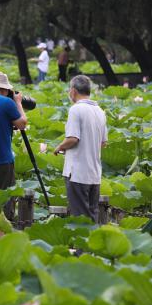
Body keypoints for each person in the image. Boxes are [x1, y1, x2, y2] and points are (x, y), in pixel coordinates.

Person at [54, 75, 107, 222]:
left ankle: (83, 239)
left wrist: (59, 147)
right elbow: (103, 143)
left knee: (80, 220)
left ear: (73, 91)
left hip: (77, 173)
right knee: (92, 218)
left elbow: (73, 139)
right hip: (94, 174)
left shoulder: (76, 109)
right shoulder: (100, 111)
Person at [0, 72, 28, 217]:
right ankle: (4, 229)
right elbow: (22, 124)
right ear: (6, 90)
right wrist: (18, 102)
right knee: (5, 204)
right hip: (1, 160)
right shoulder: (7, 103)